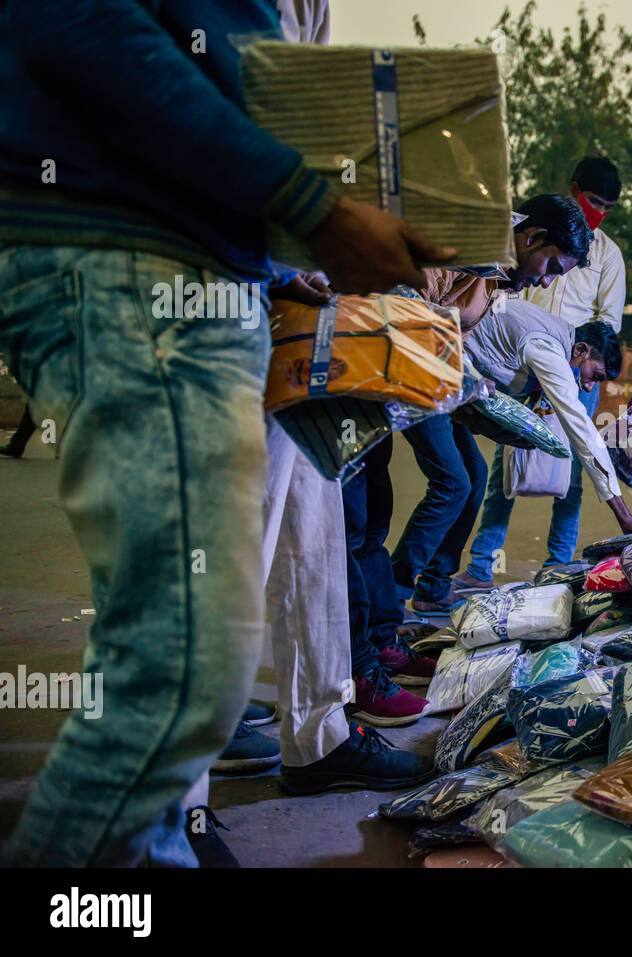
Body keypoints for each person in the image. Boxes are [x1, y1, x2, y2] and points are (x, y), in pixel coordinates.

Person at [0, 0, 452, 868]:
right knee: (184, 660)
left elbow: (228, 92)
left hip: (204, 275)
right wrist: (307, 204)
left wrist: (290, 247)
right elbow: (86, 30)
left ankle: (152, 858)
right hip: (133, 263)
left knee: (177, 642)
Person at [347, 196, 624, 722]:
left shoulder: (493, 275)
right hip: (376, 377)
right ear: (533, 237)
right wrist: (619, 504)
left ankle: (384, 635)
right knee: (409, 499)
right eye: (550, 268)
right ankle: (359, 664)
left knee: (427, 494)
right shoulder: (470, 249)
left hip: (415, 381)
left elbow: (454, 325)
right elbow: (402, 304)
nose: (546, 284)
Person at [458, 157, 627, 591]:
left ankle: (557, 566)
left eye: (608, 206)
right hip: (537, 358)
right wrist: (622, 512)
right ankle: (480, 567)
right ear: (574, 192)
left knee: (569, 470)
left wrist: (580, 374)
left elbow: (606, 322)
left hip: (564, 357)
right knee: (505, 465)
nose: (548, 282)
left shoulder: (605, 254)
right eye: (594, 201)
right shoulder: (509, 258)